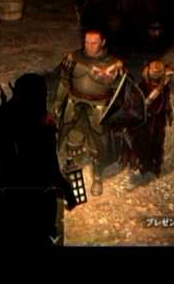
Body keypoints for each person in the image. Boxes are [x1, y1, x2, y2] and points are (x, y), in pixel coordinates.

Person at [0, 73, 78, 246]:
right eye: (43, 95)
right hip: (35, 203)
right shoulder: (42, 129)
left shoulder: (5, 117)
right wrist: (69, 193)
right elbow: (51, 170)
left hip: (7, 201)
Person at [52, 29, 125, 196]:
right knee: (71, 138)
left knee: (98, 144)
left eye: (94, 43)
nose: (89, 46)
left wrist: (114, 112)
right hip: (74, 102)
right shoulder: (72, 58)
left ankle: (97, 177)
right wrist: (58, 101)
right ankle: (70, 172)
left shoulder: (114, 64)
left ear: (103, 42)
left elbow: (119, 91)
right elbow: (64, 81)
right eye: (86, 42)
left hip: (99, 106)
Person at [120, 60, 174, 178]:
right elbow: (143, 103)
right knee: (144, 144)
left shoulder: (164, 86)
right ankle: (144, 166)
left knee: (157, 143)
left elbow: (165, 100)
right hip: (146, 121)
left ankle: (155, 167)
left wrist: (169, 112)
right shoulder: (143, 86)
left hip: (159, 120)